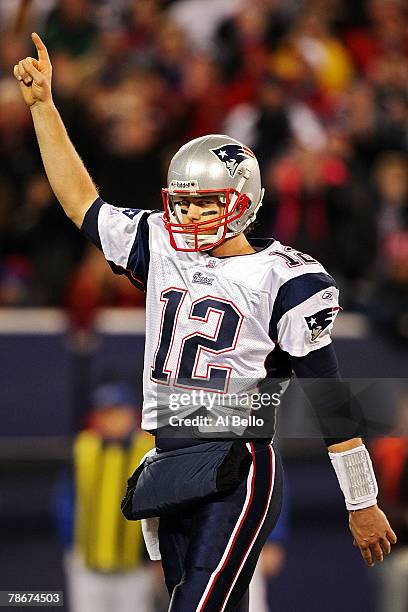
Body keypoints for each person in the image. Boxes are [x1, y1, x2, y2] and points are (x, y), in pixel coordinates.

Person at [14, 33, 397, 612]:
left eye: (205, 201)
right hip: (169, 460)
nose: (189, 213)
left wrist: (360, 499)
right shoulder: (161, 245)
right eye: (183, 201)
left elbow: (329, 395)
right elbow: (81, 204)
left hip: (237, 463)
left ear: (242, 201)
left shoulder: (284, 278)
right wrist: (45, 108)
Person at [52, 382, 157, 612]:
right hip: (88, 565)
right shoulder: (83, 447)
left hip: (133, 567)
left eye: (118, 412)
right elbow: (66, 500)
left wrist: (154, 555)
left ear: (132, 413)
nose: (112, 420)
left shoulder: (149, 450)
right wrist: (72, 545)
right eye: (105, 413)